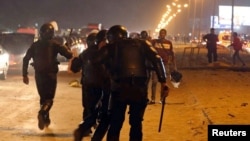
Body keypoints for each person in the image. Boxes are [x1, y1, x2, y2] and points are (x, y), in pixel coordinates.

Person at [92, 25, 169, 141]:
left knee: (116, 123)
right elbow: (157, 59)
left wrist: (107, 71)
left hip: (119, 89)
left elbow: (95, 61)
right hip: (139, 89)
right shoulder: (143, 44)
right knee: (136, 124)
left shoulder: (112, 46)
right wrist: (163, 82)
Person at [22, 23, 73, 130]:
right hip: (51, 75)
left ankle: (46, 119)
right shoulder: (55, 44)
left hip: (39, 75)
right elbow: (69, 55)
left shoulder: (35, 45)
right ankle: (42, 113)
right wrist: (67, 46)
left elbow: (25, 59)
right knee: (49, 99)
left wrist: (24, 75)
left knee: (43, 98)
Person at [71, 30, 111, 141]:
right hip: (104, 85)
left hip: (88, 83)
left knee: (89, 108)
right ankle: (88, 129)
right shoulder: (107, 52)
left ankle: (84, 128)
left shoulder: (85, 53)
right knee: (105, 112)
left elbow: (75, 68)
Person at [148, 28, 175, 104]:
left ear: (165, 34)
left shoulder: (169, 43)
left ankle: (162, 99)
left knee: (163, 83)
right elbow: (148, 44)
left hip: (165, 64)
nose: (162, 34)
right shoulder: (155, 42)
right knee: (154, 82)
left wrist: (172, 64)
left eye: (163, 33)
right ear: (159, 34)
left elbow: (171, 54)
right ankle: (153, 99)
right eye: (161, 33)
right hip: (156, 64)